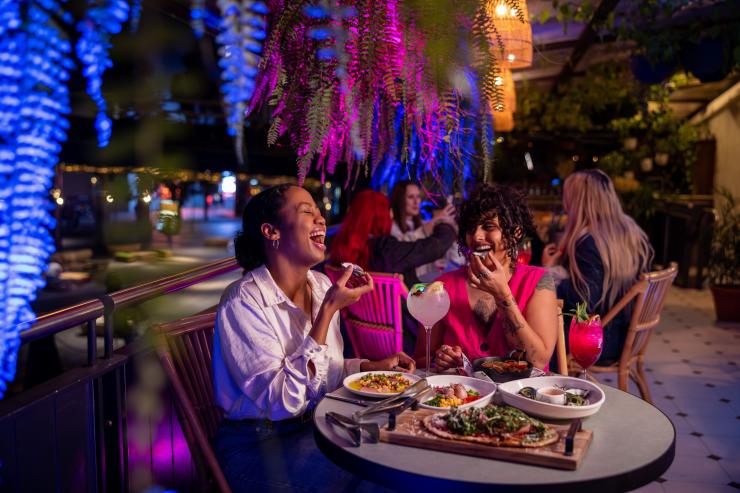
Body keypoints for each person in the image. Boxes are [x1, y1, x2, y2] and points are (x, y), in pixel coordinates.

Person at [212, 184, 414, 493]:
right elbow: (284, 402)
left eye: (321, 214)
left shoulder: (319, 284)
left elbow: (322, 372)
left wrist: (371, 366)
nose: (321, 220)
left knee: (401, 456)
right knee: (378, 479)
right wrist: (329, 311)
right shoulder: (243, 301)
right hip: (260, 446)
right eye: (308, 212)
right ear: (271, 231)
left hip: (318, 425)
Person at [415, 184, 558, 371]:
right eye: (471, 228)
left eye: (488, 226)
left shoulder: (539, 281)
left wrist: (502, 295)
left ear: (516, 233)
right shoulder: (443, 287)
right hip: (463, 397)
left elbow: (538, 361)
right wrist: (440, 360)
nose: (477, 236)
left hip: (520, 397)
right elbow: (420, 358)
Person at [541, 169, 653, 364]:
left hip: (598, 339)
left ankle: (540, 387)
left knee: (536, 330)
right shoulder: (630, 230)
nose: (565, 204)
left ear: (579, 201)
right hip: (625, 335)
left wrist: (550, 273)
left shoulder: (588, 241)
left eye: (567, 197)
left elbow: (583, 303)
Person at [330, 189, 457, 289]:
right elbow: (433, 248)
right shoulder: (382, 249)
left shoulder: (344, 245)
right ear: (378, 216)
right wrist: (445, 224)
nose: (390, 217)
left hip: (360, 317)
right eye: (387, 212)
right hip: (399, 317)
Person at [389, 180, 463, 281]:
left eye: (418, 196)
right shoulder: (392, 227)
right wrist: (434, 222)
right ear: (400, 200)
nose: (416, 201)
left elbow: (453, 258)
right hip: (408, 285)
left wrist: (453, 226)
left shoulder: (423, 223)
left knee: (454, 284)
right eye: (411, 197)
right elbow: (404, 250)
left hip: (426, 281)